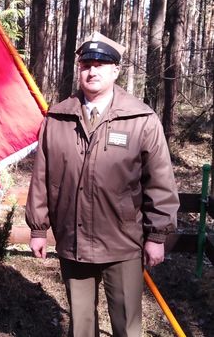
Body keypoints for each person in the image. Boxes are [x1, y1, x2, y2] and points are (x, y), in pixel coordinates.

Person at [25, 32, 179, 337]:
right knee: (81, 328)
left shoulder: (140, 118)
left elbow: (160, 182)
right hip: (74, 241)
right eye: (86, 64)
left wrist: (157, 235)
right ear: (79, 69)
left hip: (123, 243)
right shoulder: (58, 118)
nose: (92, 71)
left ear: (115, 70)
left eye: (100, 64)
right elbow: (42, 177)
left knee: (127, 326)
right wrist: (38, 229)